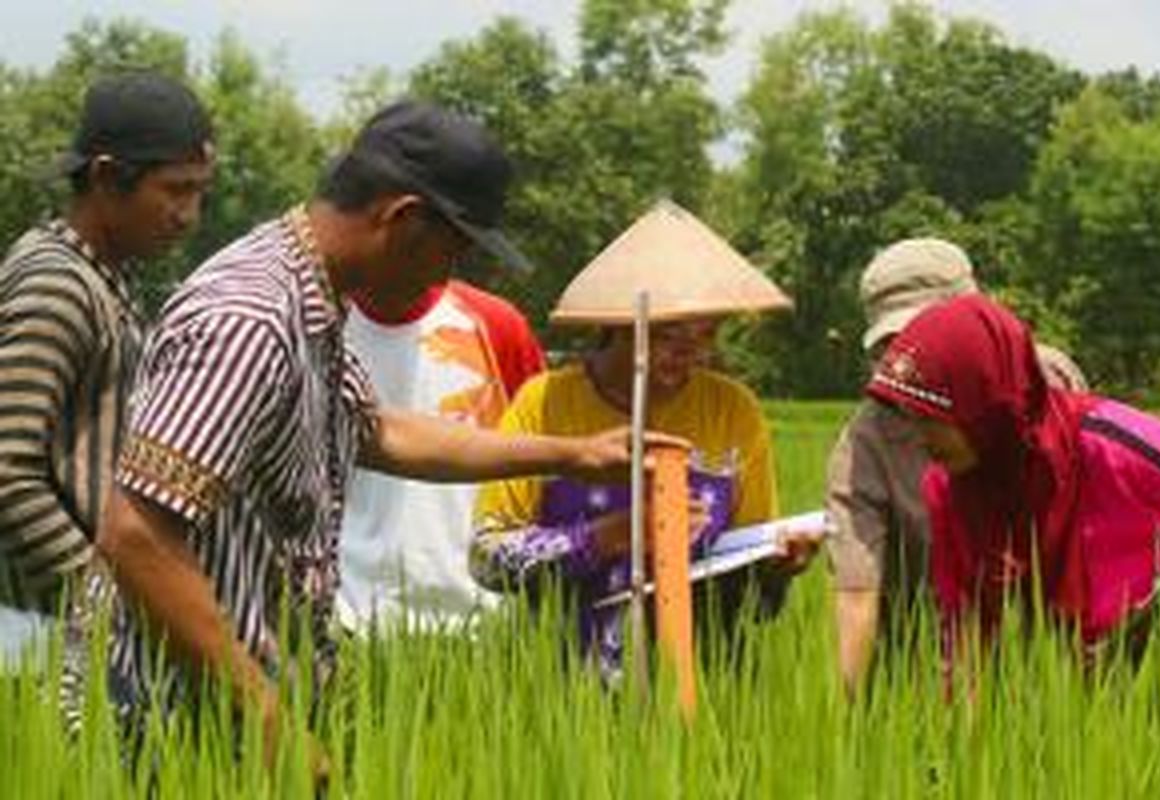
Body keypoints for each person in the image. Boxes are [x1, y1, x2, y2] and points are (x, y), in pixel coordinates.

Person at [96, 99, 640, 775]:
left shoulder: (313, 300)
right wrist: (265, 715)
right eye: (453, 249)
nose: (449, 276)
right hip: (183, 727)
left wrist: (573, 454)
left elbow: (377, 429)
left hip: (249, 709)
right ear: (403, 218)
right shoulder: (251, 318)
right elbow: (136, 532)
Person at [471, 200, 822, 680]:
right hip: (562, 683)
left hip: (704, 680)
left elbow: (750, 577)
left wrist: (778, 566)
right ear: (619, 328)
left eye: (707, 335)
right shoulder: (546, 403)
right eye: (668, 336)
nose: (692, 354)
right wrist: (608, 537)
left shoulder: (732, 410)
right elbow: (487, 557)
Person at [0, 72, 213, 667]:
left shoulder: (101, 276)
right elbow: (5, 469)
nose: (188, 215)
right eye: (174, 190)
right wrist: (101, 597)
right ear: (103, 176)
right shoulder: (57, 284)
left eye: (200, 192)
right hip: (37, 638)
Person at [865, 294, 1160, 670]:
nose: (920, 438)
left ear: (983, 398)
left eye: (932, 419)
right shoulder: (948, 491)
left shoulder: (1118, 451)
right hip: (1058, 706)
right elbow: (965, 637)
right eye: (913, 419)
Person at [826, 238, 1088, 694]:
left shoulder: (1047, 383)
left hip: (1055, 659)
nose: (911, 356)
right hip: (928, 671)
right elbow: (856, 591)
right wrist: (844, 724)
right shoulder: (866, 442)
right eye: (894, 345)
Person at [338, 277, 545, 634]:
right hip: (348, 619)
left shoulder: (495, 325)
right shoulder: (319, 326)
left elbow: (545, 462)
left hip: (483, 620)